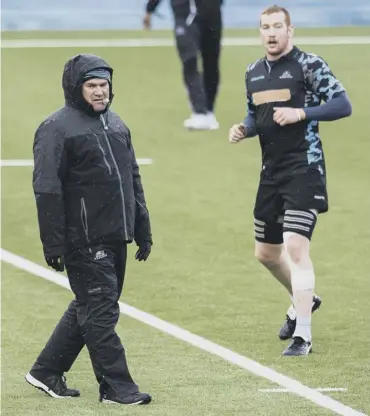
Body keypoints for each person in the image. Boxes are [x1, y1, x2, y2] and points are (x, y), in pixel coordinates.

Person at [25, 53, 153, 404]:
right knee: (101, 312)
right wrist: (53, 243)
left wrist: (142, 228)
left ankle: (46, 371)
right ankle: (116, 388)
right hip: (83, 240)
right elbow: (47, 187)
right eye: (92, 86)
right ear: (76, 89)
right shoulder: (55, 129)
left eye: (104, 85)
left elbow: (132, 178)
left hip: (116, 236)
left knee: (92, 304)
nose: (100, 92)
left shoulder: (117, 124)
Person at [228, 5, 352, 356]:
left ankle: (303, 336)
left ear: (290, 30)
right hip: (271, 173)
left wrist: (302, 112)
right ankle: (305, 300)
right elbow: (256, 114)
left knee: (296, 247)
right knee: (266, 254)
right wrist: (244, 129)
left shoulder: (309, 65)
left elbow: (343, 105)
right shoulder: (253, 72)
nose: (270, 33)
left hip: (305, 169)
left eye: (277, 26)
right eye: (265, 27)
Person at [144, 0, 223, 130]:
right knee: (189, 60)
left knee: (211, 62)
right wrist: (150, 9)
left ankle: (209, 111)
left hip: (211, 12)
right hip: (184, 13)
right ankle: (199, 111)